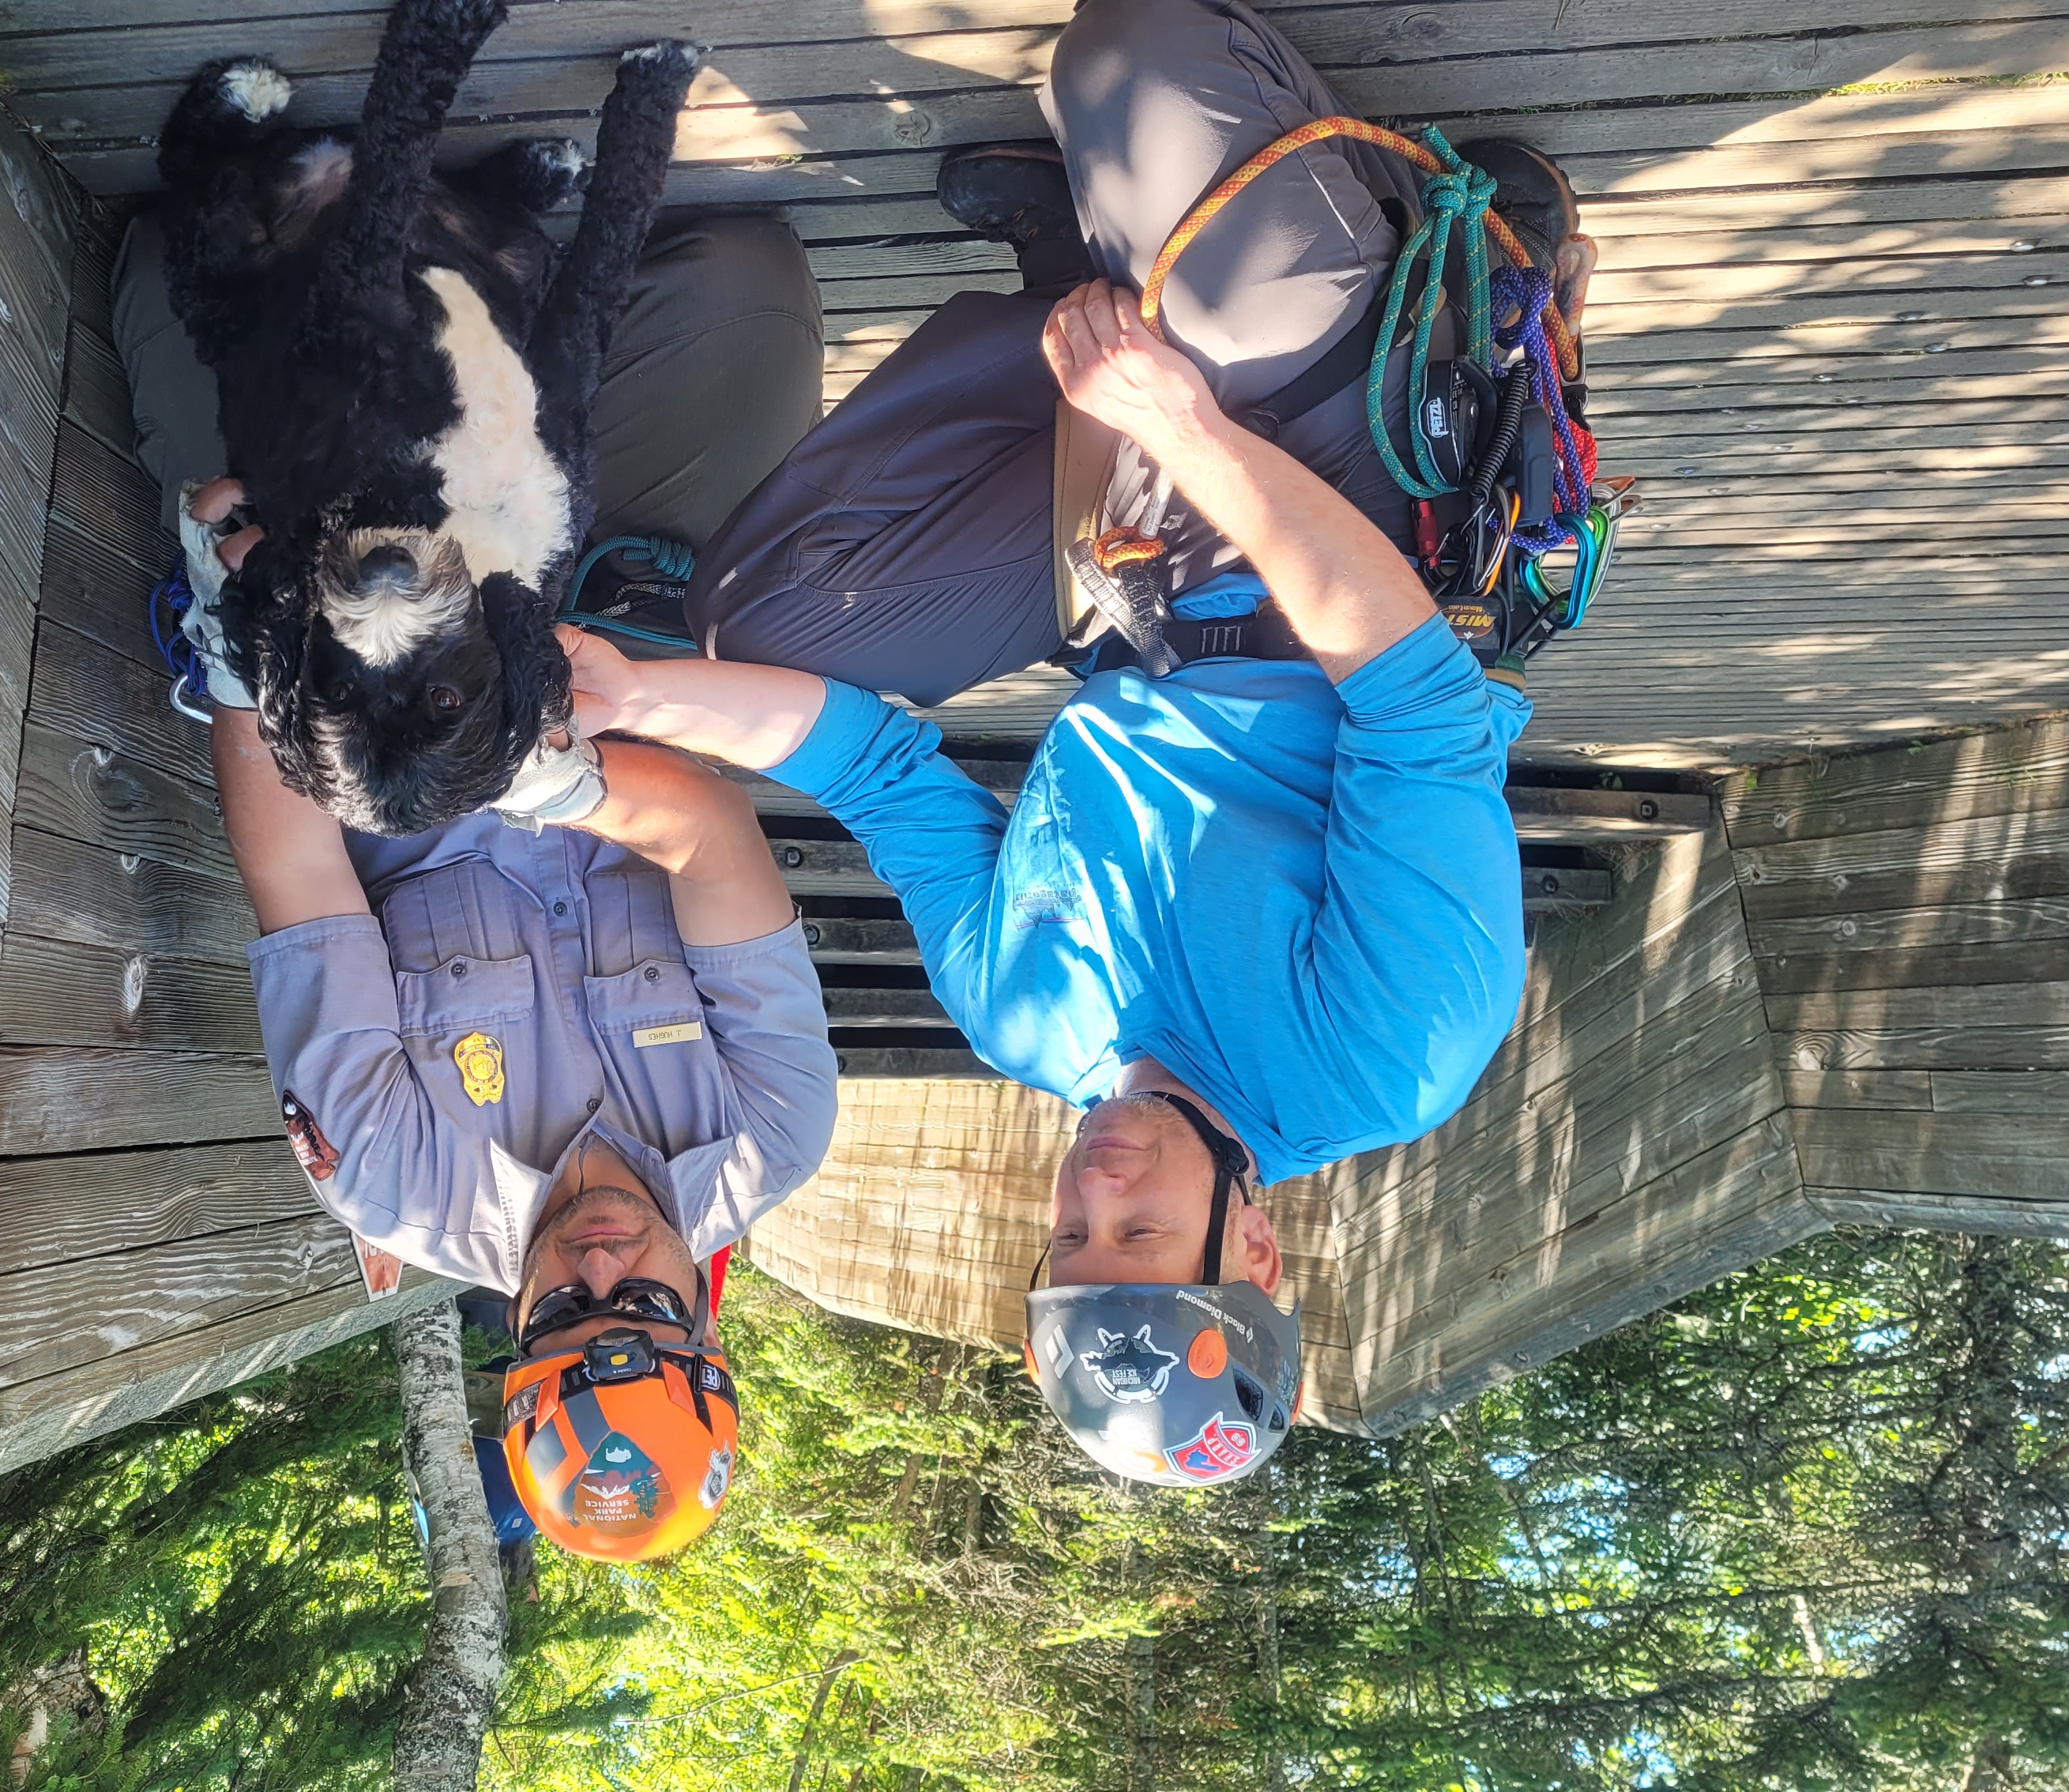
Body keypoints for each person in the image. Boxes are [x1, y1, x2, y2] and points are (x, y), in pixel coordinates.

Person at [556, 0, 1597, 1490]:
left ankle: (1087, 276)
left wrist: (634, 700)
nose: (1094, 1190)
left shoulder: (1019, 1023)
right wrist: (1186, 429)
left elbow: (874, 768)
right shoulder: (1391, 1052)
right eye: (1140, 1235)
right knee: (1126, 60)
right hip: (1346, 541)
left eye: (1067, 1239)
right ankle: (1409, 271)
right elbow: (1416, 695)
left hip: (1126, 596)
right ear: (1258, 1246)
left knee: (761, 625)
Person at [114, 209, 840, 1560]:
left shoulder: (392, 1179)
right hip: (603, 637)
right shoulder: (771, 1136)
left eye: (568, 1319)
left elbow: (295, 862)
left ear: (516, 1336)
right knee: (750, 283)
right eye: (644, 1314)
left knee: (179, 275)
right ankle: (481, 293)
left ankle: (408, 289)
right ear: (703, 1326)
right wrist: (507, 759)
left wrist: (245, 638)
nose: (603, 1272)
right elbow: (711, 834)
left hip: (360, 665)